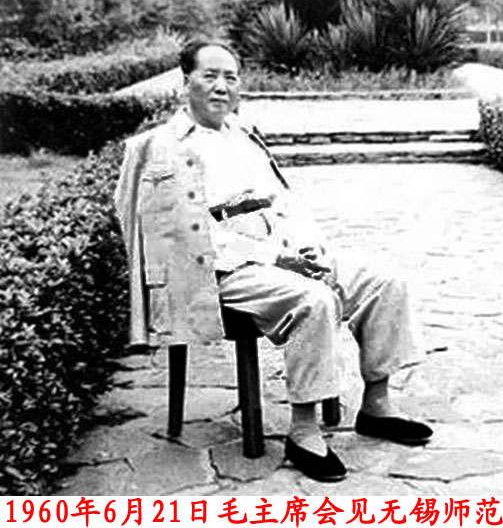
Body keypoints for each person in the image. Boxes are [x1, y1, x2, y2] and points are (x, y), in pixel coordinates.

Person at [114, 38, 432, 482]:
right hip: (221, 271)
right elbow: (190, 238)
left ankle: (377, 405)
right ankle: (304, 431)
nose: (222, 86)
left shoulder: (244, 137)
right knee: (314, 300)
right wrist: (275, 259)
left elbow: (283, 203)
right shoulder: (162, 148)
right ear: (185, 82)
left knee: (385, 282)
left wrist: (308, 247)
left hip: (280, 254)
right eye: (210, 76)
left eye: (231, 77)